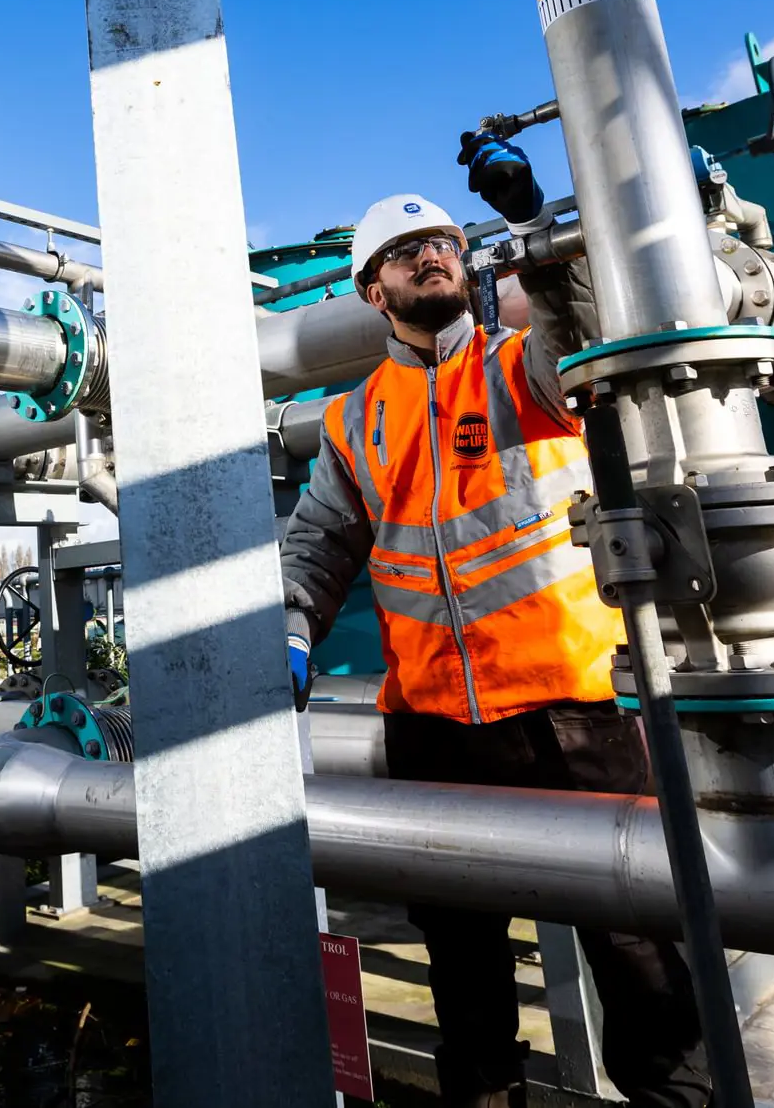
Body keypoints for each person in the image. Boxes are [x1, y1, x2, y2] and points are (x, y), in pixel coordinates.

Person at [279, 134, 712, 1108]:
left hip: (573, 713)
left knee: (638, 951)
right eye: (405, 253)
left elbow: (591, 338)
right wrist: (293, 628)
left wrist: (534, 227)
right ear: (374, 290)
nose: (430, 256)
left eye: (442, 243)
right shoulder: (353, 418)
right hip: (432, 729)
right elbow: (317, 542)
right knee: (465, 972)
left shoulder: (523, 368)